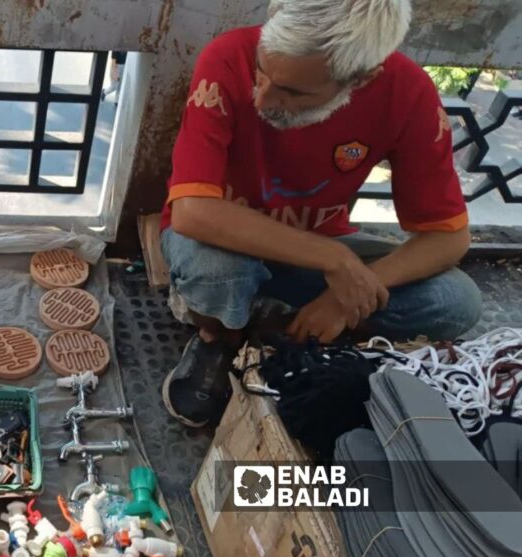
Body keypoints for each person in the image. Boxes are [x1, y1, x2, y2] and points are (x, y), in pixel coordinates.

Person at [160, 0, 483, 428]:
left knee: (456, 302)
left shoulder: (408, 93)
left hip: (318, 248)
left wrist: (345, 297)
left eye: (293, 92)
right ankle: (220, 335)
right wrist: (337, 262)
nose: (262, 96)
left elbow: (449, 238)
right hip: (228, 240)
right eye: (263, 72)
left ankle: (278, 332)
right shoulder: (227, 56)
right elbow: (193, 213)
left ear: (361, 78)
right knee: (217, 272)